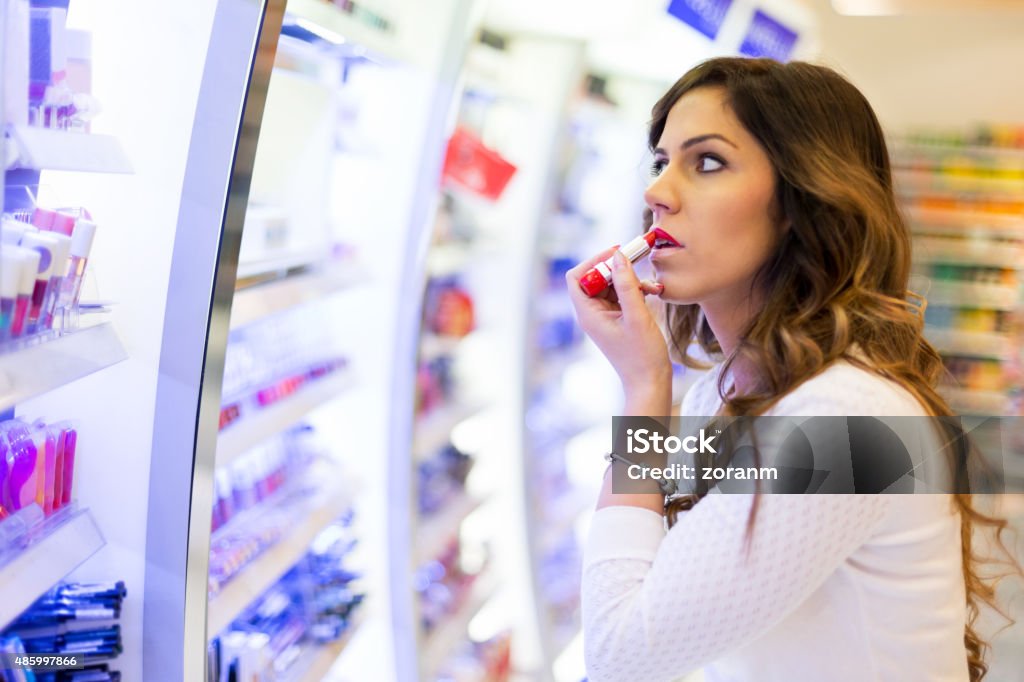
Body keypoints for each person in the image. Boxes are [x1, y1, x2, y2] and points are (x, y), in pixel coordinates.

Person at [566, 57, 1013, 682]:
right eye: (662, 162)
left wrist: (642, 390)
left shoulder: (845, 419)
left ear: (805, 201)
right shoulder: (716, 395)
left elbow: (619, 657)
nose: (657, 193)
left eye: (708, 162)